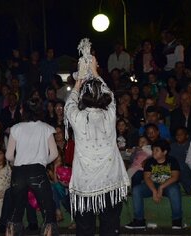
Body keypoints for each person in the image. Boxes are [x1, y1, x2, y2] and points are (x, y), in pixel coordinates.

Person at [64, 54, 130, 236]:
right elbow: (110, 95)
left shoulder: (77, 117)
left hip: (85, 187)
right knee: (110, 227)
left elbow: (69, 102)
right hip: (110, 183)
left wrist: (78, 81)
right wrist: (94, 71)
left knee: (85, 229)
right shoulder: (109, 115)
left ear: (83, 99)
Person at [5, 96, 59, 235]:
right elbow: (54, 154)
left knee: (15, 213)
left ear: (23, 110)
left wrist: (15, 162)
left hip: (18, 173)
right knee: (48, 213)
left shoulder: (15, 128)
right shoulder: (46, 128)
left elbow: (8, 156)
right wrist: (42, 161)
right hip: (38, 171)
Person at [125, 139, 183, 230]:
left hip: (168, 185)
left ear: (164, 152)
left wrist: (161, 187)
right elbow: (147, 177)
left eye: (157, 150)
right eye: (153, 150)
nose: (153, 152)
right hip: (153, 185)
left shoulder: (172, 160)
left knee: (174, 190)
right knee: (136, 189)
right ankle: (139, 221)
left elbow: (175, 177)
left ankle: (177, 220)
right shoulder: (149, 161)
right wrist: (154, 191)